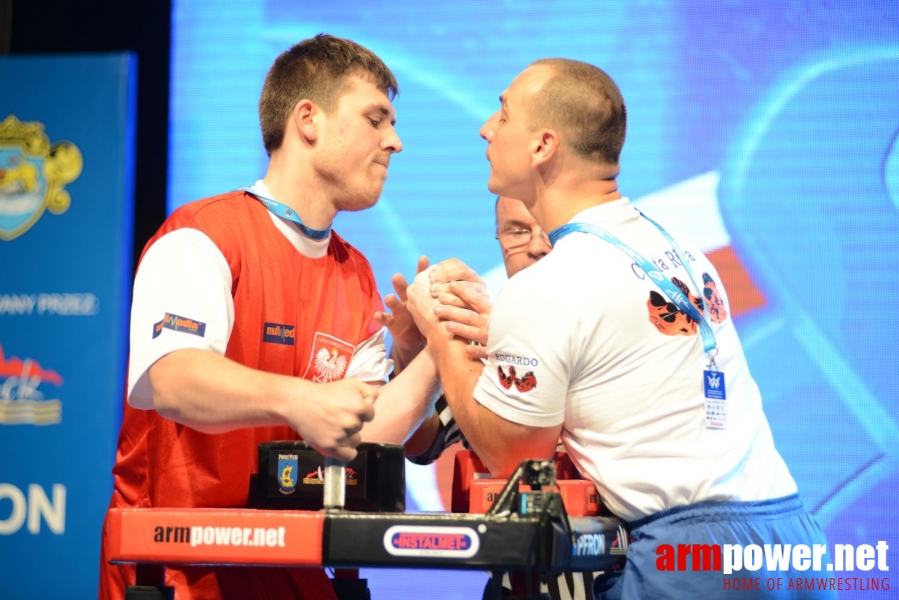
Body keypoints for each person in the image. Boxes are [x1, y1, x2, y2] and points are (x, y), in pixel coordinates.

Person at [407, 59, 834, 599]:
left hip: (695, 560)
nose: (486, 128)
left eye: (503, 113)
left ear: (542, 146)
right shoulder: (682, 254)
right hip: (789, 541)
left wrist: (440, 334)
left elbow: (515, 454)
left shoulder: (550, 285)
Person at [99, 34, 440, 600]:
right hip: (180, 570)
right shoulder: (202, 235)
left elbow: (362, 432)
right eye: (376, 119)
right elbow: (172, 380)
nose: (395, 142)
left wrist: (438, 352)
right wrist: (299, 399)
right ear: (308, 119)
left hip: (297, 571)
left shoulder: (356, 273)